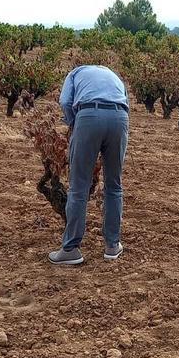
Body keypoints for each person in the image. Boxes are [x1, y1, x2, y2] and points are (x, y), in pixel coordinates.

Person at [48, 65, 129, 265]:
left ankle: (71, 249)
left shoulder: (74, 73)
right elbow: (125, 100)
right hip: (120, 117)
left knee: (79, 187)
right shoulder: (113, 75)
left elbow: (65, 101)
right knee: (114, 186)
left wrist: (74, 123)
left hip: (89, 116)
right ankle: (112, 246)